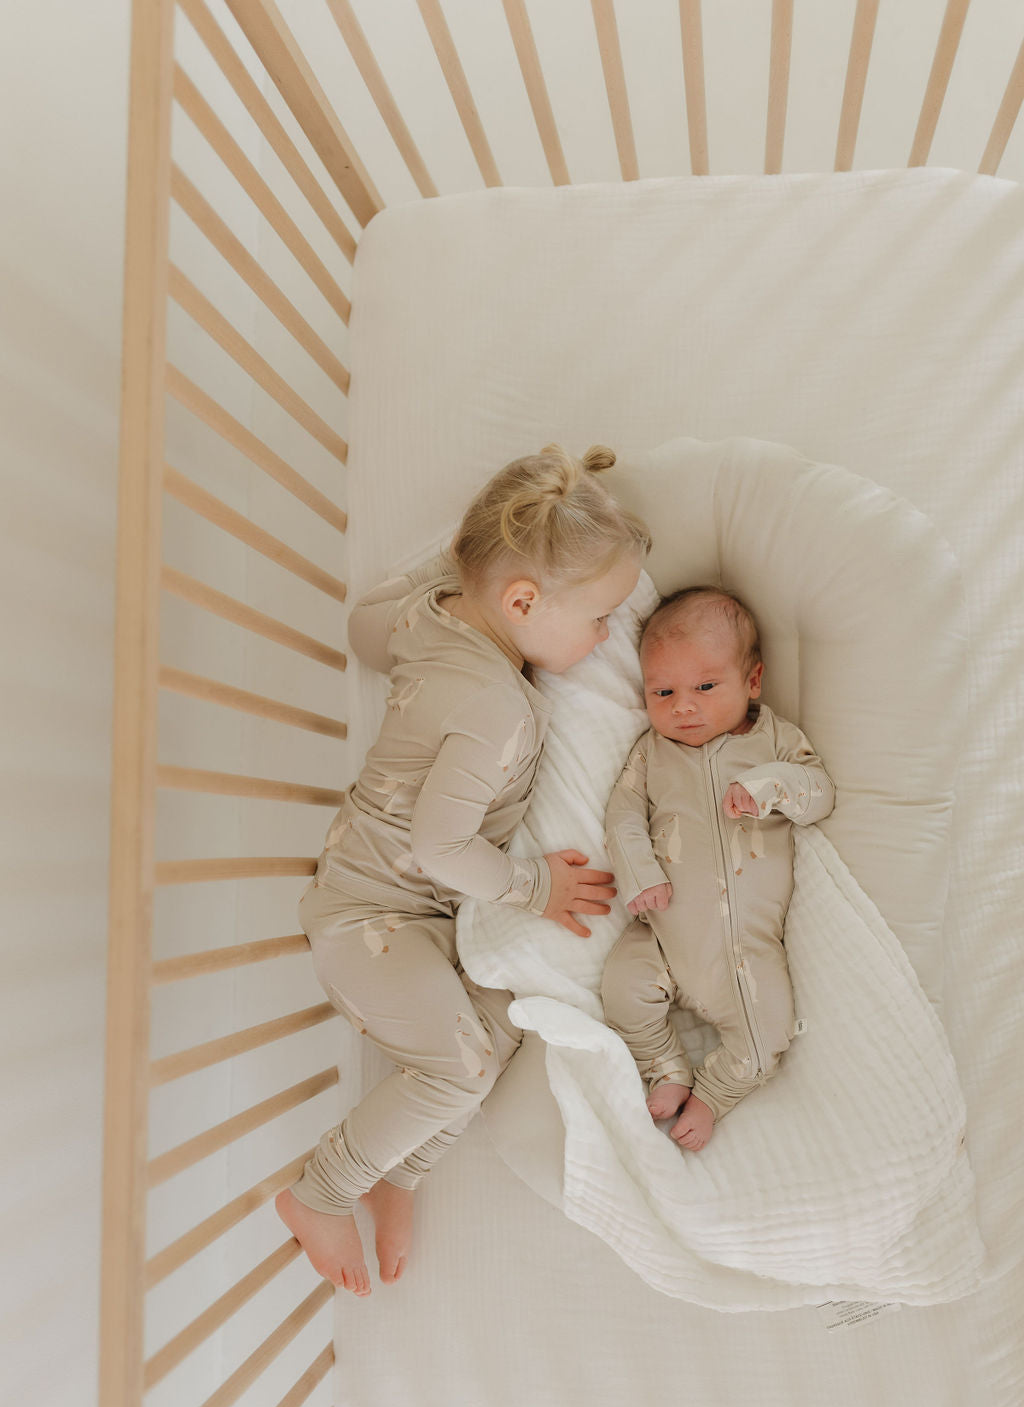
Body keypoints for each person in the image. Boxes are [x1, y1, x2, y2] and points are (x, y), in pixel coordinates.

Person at [277, 445, 650, 1294]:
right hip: (369, 924)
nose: (604, 639)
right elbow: (441, 849)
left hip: (409, 919)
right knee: (461, 1067)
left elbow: (361, 626)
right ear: (521, 600)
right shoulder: (495, 709)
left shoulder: (431, 618)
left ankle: (401, 1172)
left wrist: (466, 559)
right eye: (598, 619)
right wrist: (538, 887)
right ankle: (322, 1192)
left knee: (509, 1019)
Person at [600, 585, 835, 1152]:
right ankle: (666, 1067)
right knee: (620, 988)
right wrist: (641, 873)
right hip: (661, 932)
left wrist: (768, 787)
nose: (684, 705)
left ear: (752, 682)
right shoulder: (651, 754)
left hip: (742, 952)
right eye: (664, 691)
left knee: (767, 1034)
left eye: (705, 686)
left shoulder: (774, 738)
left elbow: (819, 791)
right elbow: (622, 815)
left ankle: (711, 1094)